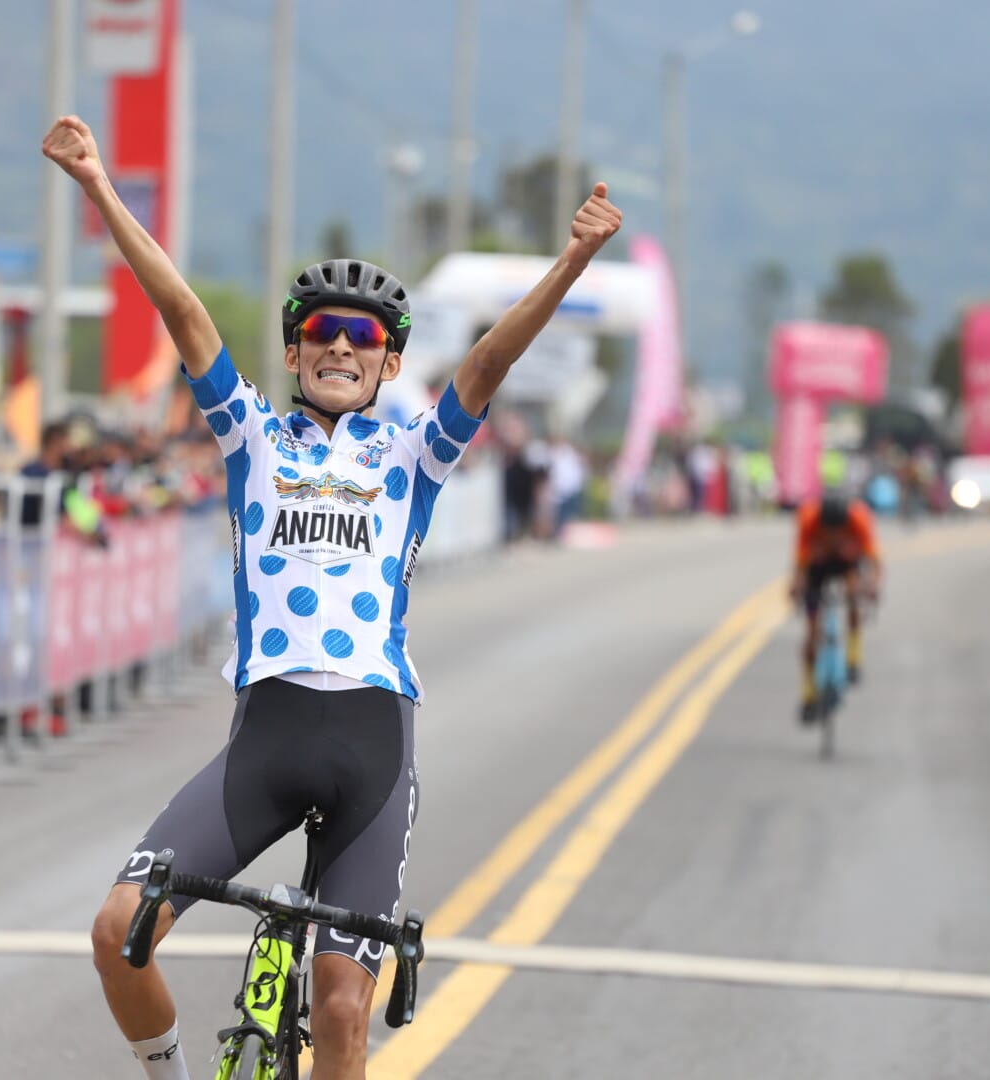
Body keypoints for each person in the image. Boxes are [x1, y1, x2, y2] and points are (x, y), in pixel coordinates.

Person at [45, 114, 622, 1080]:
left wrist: (574, 260)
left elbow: (488, 364)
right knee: (116, 932)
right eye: (321, 332)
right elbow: (184, 312)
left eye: (365, 337)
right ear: (294, 352)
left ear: (391, 363)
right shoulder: (251, 439)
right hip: (265, 739)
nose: (342, 347)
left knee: (344, 1009)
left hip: (371, 746)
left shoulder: (413, 455)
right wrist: (98, 185)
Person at [790, 489, 882, 724]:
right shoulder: (808, 519)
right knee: (811, 632)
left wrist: (871, 587)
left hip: (846, 561)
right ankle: (809, 694)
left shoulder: (859, 519)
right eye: (827, 531)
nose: (832, 536)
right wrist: (796, 588)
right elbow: (800, 565)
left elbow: (874, 562)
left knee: (854, 593)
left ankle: (853, 658)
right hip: (818, 564)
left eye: (838, 531)